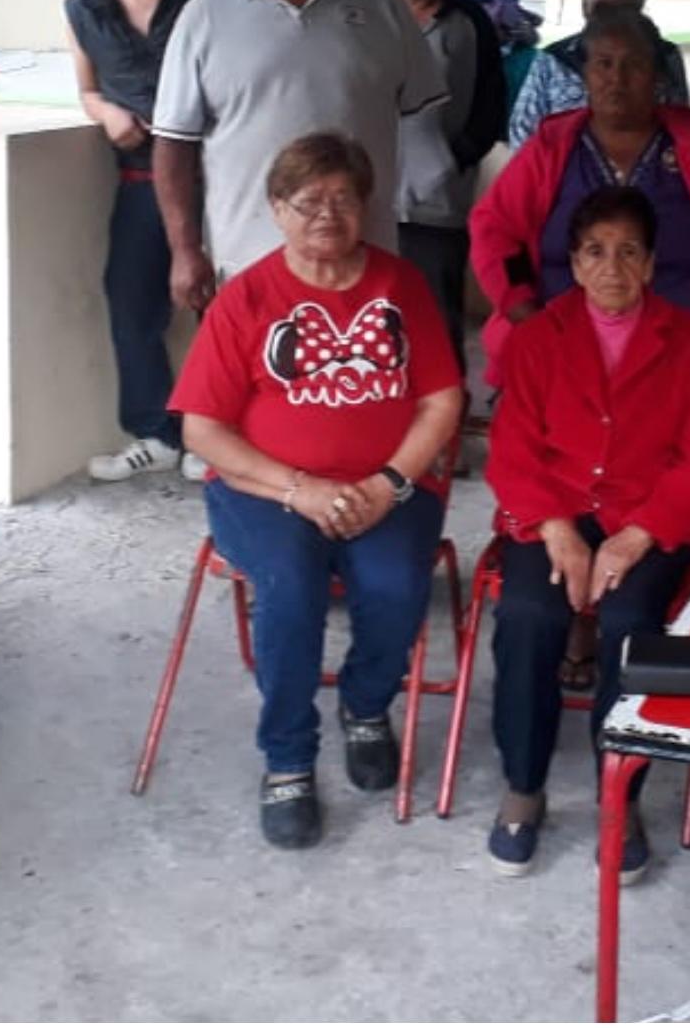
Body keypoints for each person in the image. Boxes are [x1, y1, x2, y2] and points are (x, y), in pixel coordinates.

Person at [169, 133, 462, 850]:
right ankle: (289, 759)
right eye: (307, 202)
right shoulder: (247, 298)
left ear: (365, 207)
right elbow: (201, 429)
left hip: (385, 484)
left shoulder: (402, 285)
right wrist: (298, 489)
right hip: (264, 492)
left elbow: (442, 399)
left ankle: (365, 707)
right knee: (291, 585)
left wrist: (389, 482)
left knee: (395, 583)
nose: (326, 215)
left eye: (342, 200)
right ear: (276, 209)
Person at [480, 186, 690, 880]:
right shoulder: (538, 339)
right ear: (575, 261)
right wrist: (557, 529)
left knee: (629, 619)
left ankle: (619, 794)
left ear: (652, 264)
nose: (612, 267)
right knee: (530, 612)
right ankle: (523, 787)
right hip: (553, 509)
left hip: (645, 518)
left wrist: (637, 535)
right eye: (596, 251)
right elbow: (512, 451)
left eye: (628, 251)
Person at [150, 0, 443, 308]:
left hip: (362, 263)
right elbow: (173, 145)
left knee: (362, 379)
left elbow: (418, 113)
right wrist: (184, 250)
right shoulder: (206, 14)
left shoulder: (379, 0)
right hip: (246, 268)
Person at [468, 9, 690, 391]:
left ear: (658, 75)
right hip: (556, 358)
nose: (617, 79)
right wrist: (528, 319)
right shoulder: (549, 149)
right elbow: (495, 234)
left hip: (674, 364)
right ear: (586, 73)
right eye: (604, 64)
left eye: (634, 65)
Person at [68, 0, 211, 483]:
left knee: (221, 306)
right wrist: (108, 115)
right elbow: (87, 90)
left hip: (213, 175)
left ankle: (218, 434)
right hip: (138, 181)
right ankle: (157, 433)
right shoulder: (83, 8)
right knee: (130, 305)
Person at [386, 0, 510, 370]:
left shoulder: (469, 22)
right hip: (368, 203)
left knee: (435, 322)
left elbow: (491, 106)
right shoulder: (366, 13)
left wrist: (449, 162)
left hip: (437, 207)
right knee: (375, 322)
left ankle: (444, 433)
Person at [505, 0, 690, 148]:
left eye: (628, 10)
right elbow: (522, 132)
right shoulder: (553, 59)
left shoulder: (664, 55)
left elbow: (681, 127)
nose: (616, 21)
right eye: (606, 10)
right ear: (585, 6)